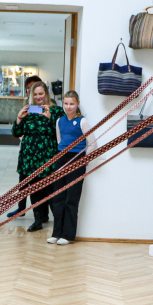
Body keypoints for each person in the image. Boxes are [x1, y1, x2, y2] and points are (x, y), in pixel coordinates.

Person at [8, 81, 64, 231]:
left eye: (41, 93)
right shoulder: (28, 110)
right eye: (35, 94)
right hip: (29, 157)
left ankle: (59, 224)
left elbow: (61, 133)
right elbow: (16, 133)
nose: (38, 97)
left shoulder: (56, 111)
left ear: (46, 93)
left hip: (48, 155)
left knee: (51, 190)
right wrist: (19, 118)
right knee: (33, 189)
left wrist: (50, 118)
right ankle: (37, 220)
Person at [48, 91, 96, 245]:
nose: (68, 107)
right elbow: (59, 140)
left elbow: (92, 142)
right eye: (66, 103)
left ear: (77, 104)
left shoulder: (82, 121)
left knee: (71, 198)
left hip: (76, 159)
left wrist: (86, 159)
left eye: (72, 104)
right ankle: (56, 233)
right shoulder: (60, 121)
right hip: (61, 158)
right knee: (58, 197)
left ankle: (67, 235)